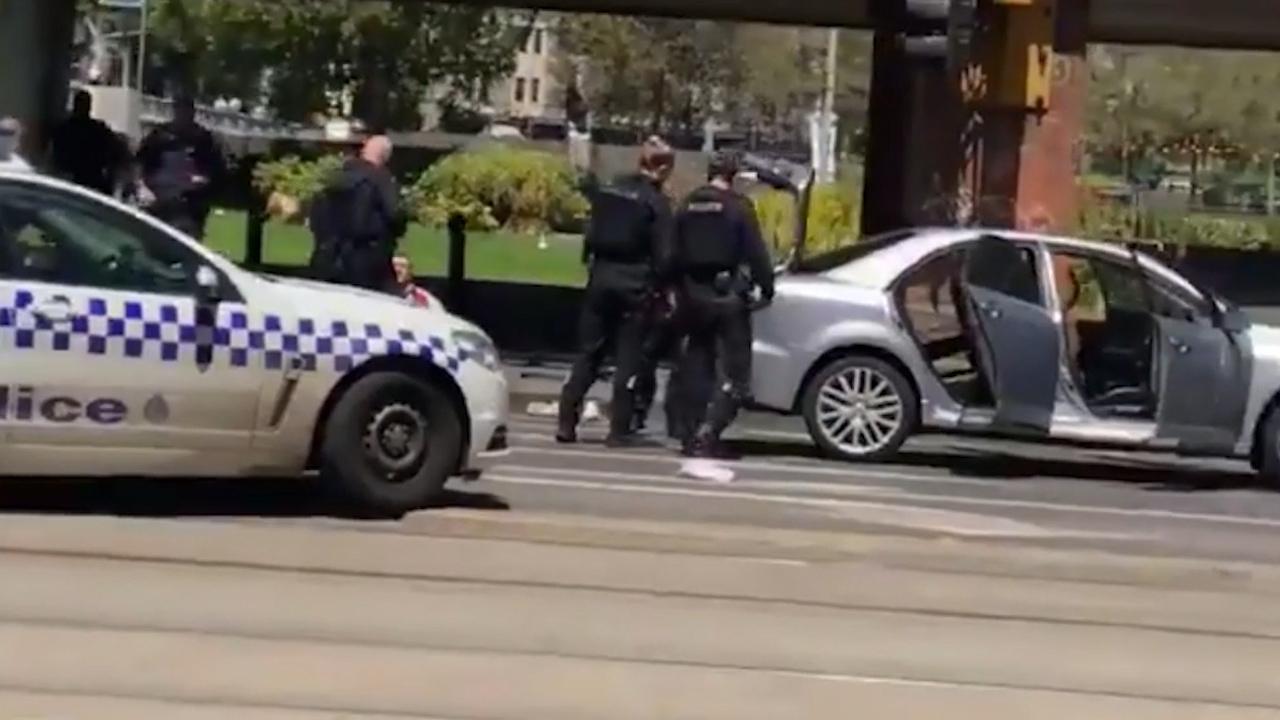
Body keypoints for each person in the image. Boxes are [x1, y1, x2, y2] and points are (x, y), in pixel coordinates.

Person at [556, 136, 676, 447]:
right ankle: (618, 428)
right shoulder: (656, 203)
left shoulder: (608, 191)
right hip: (635, 283)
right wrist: (664, 290)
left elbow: (590, 236)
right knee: (628, 358)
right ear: (661, 168)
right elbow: (665, 256)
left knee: (589, 353)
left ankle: (567, 419)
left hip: (600, 277)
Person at [671, 150, 775, 481]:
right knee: (735, 371)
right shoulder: (738, 207)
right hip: (728, 295)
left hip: (692, 295)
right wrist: (766, 286)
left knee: (696, 364)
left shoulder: (686, 205)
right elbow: (756, 253)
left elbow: (670, 252)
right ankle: (709, 432)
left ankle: (689, 433)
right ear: (732, 174)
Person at [310, 135, 408, 292]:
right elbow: (395, 214)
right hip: (368, 259)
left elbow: (316, 214)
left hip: (328, 256)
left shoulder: (335, 178)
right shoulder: (381, 179)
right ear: (385, 156)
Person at [136, 94, 226, 239]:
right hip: (158, 197)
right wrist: (142, 186)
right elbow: (140, 162)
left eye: (187, 110)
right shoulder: (158, 135)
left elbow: (216, 170)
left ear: (193, 113)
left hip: (189, 199)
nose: (183, 114)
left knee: (185, 237)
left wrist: (204, 179)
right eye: (179, 109)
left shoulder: (204, 139)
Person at [50, 90, 126, 195]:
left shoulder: (64, 129)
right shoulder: (98, 129)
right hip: (90, 181)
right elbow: (119, 152)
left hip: (71, 181)